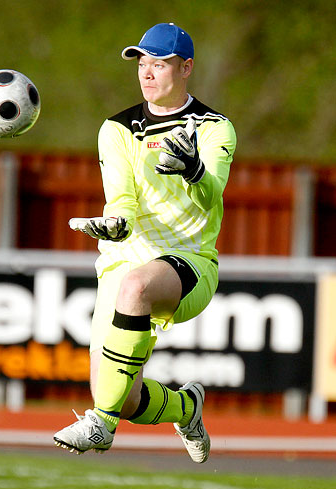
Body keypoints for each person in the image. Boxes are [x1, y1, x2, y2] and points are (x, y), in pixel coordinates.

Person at [53, 23, 236, 462]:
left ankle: (101, 425)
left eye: (160, 63)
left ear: (187, 67)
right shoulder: (116, 128)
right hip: (122, 261)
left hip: (189, 263)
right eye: (142, 62)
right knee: (123, 395)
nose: (147, 73)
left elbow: (212, 199)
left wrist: (195, 173)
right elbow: (122, 201)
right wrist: (114, 225)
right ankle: (186, 407)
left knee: (136, 287)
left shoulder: (215, 128)